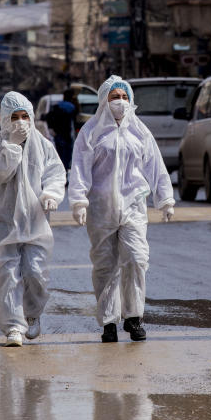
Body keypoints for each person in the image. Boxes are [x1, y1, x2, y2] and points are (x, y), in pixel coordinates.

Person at [69, 76, 175, 343]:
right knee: (105, 265)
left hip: (133, 207)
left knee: (137, 259)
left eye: (124, 97)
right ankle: (108, 322)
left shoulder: (140, 131)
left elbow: (155, 166)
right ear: (104, 100)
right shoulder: (90, 131)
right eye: (115, 97)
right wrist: (79, 200)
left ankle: (134, 316)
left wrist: (165, 199)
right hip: (100, 209)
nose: (120, 102)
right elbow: (80, 167)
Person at [0, 92, 67, 347]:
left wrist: (51, 194)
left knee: (35, 273)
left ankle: (33, 315)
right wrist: (12, 148)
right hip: (6, 221)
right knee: (8, 275)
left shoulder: (42, 144)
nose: (20, 122)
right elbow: (0, 175)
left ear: (31, 117)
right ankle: (13, 328)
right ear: (4, 120)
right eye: (14, 117)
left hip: (36, 220)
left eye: (24, 117)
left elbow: (55, 172)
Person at [43, 90, 77, 169]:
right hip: (67, 135)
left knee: (60, 155)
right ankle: (65, 171)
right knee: (67, 156)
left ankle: (61, 171)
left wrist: (51, 129)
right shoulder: (71, 107)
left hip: (58, 134)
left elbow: (48, 117)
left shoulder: (57, 106)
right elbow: (75, 120)